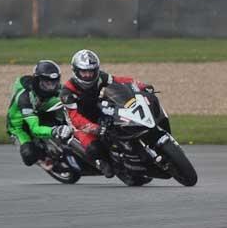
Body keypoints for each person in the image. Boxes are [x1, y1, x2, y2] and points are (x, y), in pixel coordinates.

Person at [59, 49, 155, 179]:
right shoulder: (67, 91)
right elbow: (75, 117)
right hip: (80, 123)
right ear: (76, 71)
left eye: (91, 71)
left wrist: (141, 86)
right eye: (84, 72)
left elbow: (120, 81)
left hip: (98, 112)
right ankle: (101, 162)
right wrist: (95, 129)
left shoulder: (100, 78)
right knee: (94, 149)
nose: (88, 75)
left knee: (123, 123)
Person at [7, 60, 73, 167]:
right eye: (47, 83)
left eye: (54, 82)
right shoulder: (25, 98)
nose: (51, 87)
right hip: (21, 126)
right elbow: (34, 128)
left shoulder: (56, 88)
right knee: (29, 156)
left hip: (40, 112)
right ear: (37, 81)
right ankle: (44, 158)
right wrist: (55, 131)